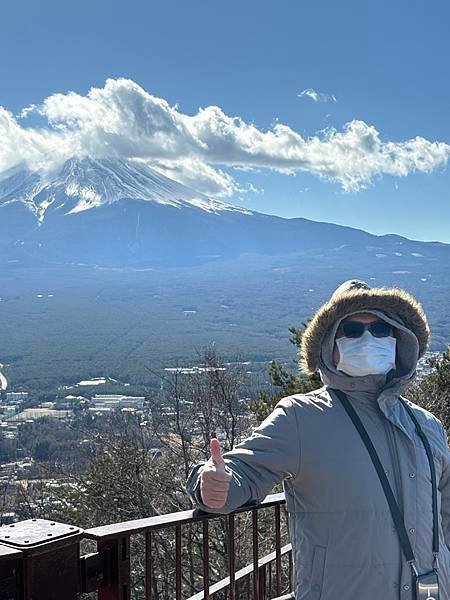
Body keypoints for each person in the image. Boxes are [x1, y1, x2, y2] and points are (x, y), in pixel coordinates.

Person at [185, 279, 450, 599]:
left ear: (398, 340)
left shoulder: (426, 425)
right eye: (352, 329)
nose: (368, 338)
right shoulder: (301, 417)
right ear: (329, 345)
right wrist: (211, 486)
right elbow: (244, 472)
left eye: (381, 329)